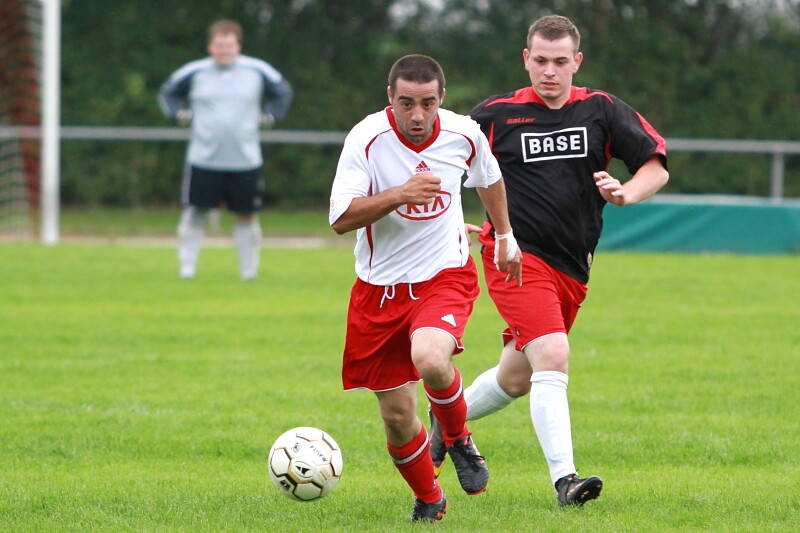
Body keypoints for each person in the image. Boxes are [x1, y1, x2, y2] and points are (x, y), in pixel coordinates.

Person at [429, 14, 669, 507]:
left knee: (517, 377)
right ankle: (566, 482)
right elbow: (436, 168)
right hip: (515, 258)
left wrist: (625, 193)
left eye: (560, 61)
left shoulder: (601, 109)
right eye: (540, 60)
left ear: (577, 61)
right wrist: (447, 224)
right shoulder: (494, 116)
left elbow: (655, 164)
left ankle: (446, 415)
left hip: (573, 268)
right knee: (554, 355)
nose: (550, 71)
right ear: (526, 59)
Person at [329, 54, 522, 523]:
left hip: (444, 275)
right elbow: (341, 219)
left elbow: (489, 177)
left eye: (428, 104)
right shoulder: (366, 139)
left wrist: (505, 235)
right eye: (407, 104)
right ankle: (430, 499)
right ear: (389, 98)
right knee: (397, 418)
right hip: (378, 290)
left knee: (431, 358)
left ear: (442, 99)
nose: (417, 115)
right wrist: (401, 193)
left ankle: (457, 437)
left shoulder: (463, 133)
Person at [157, 20, 293, 280]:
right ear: (210, 46)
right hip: (203, 158)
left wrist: (271, 116)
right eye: (219, 45)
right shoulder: (195, 71)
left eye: (229, 45)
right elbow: (167, 92)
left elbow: (283, 92)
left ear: (238, 46)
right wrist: (179, 114)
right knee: (195, 212)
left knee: (246, 215)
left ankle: (248, 272)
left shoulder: (257, 70)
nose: (224, 50)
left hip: (245, 159)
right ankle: (187, 269)